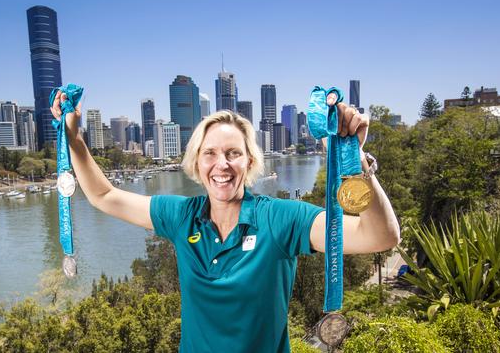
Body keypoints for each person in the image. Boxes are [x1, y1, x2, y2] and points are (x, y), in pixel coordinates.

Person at [51, 91, 399, 353]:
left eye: (233, 153)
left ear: (249, 162)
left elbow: (379, 236)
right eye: (210, 154)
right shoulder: (182, 216)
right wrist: (74, 139)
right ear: (197, 164)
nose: (222, 165)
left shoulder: (278, 219)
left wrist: (355, 162)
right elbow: (103, 196)